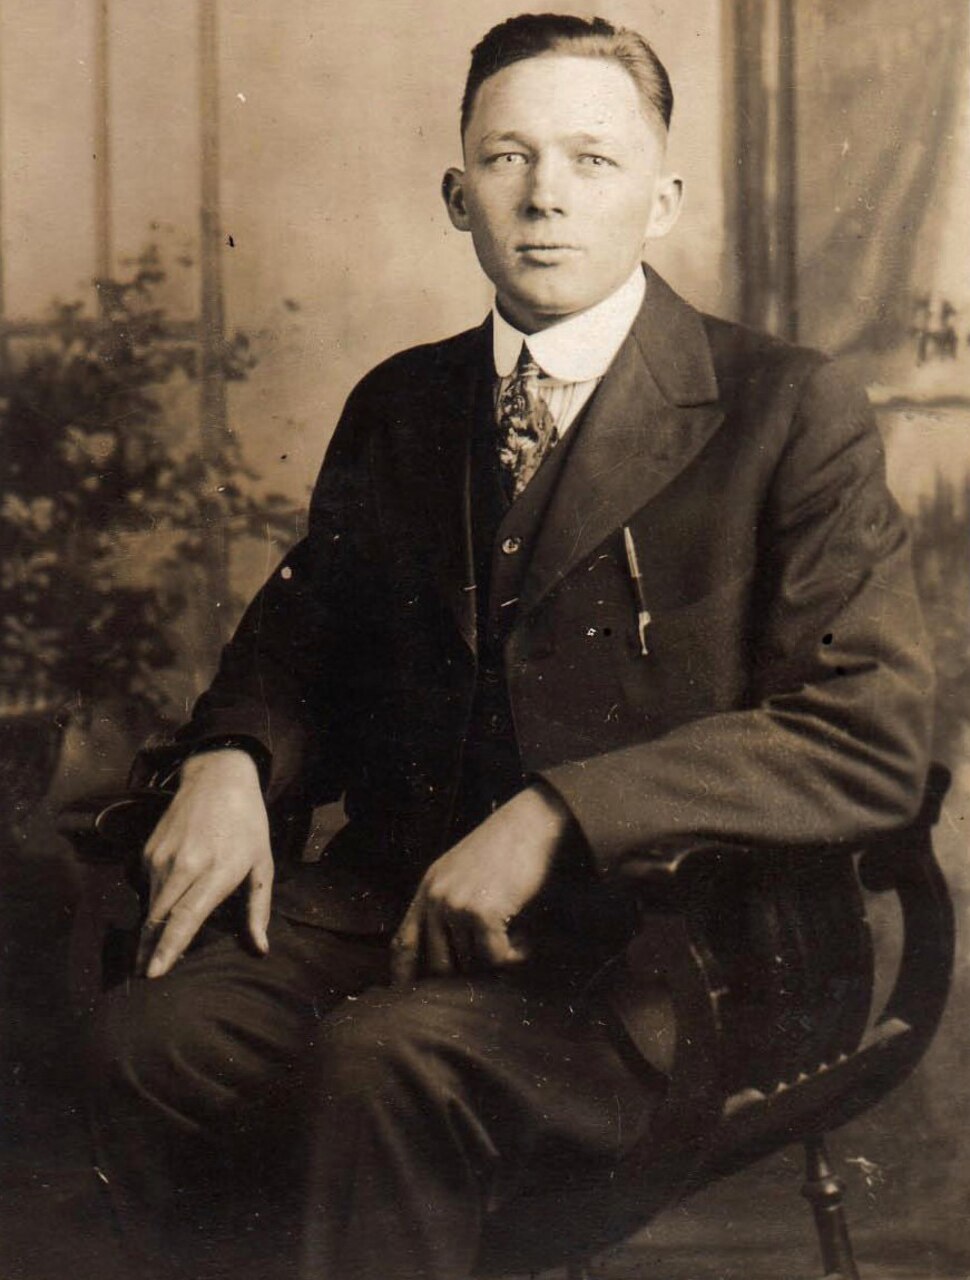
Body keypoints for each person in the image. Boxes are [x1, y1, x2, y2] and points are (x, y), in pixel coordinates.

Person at [85, 13, 933, 1280]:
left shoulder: (785, 409)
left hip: (667, 951)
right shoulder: (403, 403)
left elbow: (864, 734)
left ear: (662, 198)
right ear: (455, 194)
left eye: (592, 160)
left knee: (387, 1066)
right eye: (506, 158)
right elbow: (298, 643)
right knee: (149, 1037)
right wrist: (231, 759)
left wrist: (557, 816)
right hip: (395, 911)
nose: (545, 198)